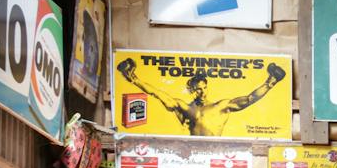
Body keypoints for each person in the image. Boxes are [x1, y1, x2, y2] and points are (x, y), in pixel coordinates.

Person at [114, 56, 288, 137]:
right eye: (198, 89)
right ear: (192, 91)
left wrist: (270, 82)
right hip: (192, 150)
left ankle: (272, 80)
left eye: (204, 88)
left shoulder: (221, 106)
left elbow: (249, 99)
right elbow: (158, 94)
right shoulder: (185, 107)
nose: (202, 92)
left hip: (218, 151)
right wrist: (134, 79)